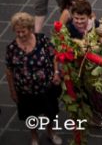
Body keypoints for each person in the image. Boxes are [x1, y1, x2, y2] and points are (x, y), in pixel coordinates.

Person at [6, 12, 62, 145]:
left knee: (49, 112)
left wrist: (56, 72)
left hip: (46, 87)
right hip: (25, 91)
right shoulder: (12, 48)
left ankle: (51, 132)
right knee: (30, 116)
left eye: (23, 31)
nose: (20, 35)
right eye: (17, 32)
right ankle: (34, 136)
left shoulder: (42, 40)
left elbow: (54, 56)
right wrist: (12, 91)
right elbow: (9, 71)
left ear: (30, 28)